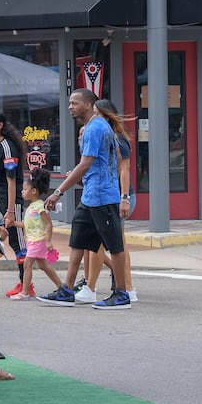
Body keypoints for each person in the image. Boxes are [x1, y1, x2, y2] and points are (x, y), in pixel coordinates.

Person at [40, 89, 132, 310]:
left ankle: (121, 294)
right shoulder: (95, 126)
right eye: (70, 102)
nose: (70, 106)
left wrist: (58, 191)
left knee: (115, 247)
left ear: (89, 105)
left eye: (75, 103)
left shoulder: (95, 128)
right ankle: (67, 290)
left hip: (102, 196)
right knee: (77, 241)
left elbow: (86, 163)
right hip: (91, 196)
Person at [83, 99, 137, 302]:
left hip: (117, 196)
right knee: (107, 242)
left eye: (96, 113)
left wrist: (124, 198)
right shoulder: (102, 136)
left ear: (105, 115)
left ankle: (122, 287)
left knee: (113, 243)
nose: (92, 117)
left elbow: (124, 169)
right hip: (107, 195)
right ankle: (109, 286)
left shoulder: (117, 139)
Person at [0, 109, 27, 293]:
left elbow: (11, 181)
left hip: (11, 201)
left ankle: (26, 283)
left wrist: (10, 210)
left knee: (18, 242)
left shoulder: (7, 147)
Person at [15, 168, 64, 300]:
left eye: (24, 190)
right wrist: (14, 223)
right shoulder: (31, 207)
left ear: (34, 191)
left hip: (39, 240)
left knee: (27, 264)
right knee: (43, 266)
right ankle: (61, 286)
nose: (22, 192)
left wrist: (48, 241)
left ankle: (25, 292)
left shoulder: (40, 206)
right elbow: (27, 225)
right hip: (32, 241)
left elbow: (48, 224)